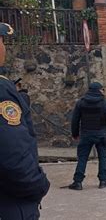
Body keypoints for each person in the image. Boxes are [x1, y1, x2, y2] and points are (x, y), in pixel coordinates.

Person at [0, 22, 50, 220]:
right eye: (2, 41)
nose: (4, 47)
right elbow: (11, 151)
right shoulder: (2, 91)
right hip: (10, 203)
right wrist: (38, 185)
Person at [68, 82, 106, 190]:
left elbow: (75, 120)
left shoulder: (80, 103)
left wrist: (75, 134)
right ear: (99, 90)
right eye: (102, 89)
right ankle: (103, 181)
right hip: (101, 135)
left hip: (85, 134)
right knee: (103, 157)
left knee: (82, 158)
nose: (103, 91)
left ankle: (77, 182)